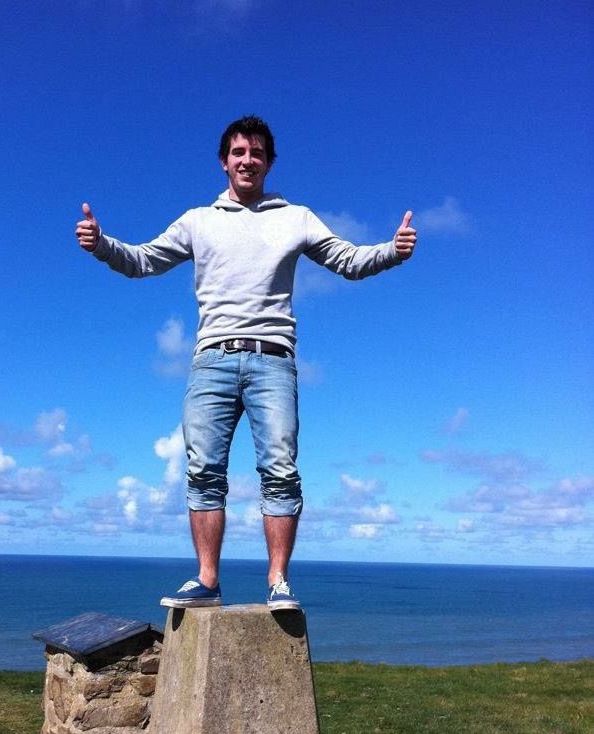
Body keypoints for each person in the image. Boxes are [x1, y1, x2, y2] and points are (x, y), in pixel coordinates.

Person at [76, 115, 417, 611]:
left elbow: (347, 260)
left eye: (257, 153)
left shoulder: (295, 218)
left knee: (280, 470)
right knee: (203, 471)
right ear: (224, 161)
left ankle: (278, 582)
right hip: (211, 360)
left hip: (274, 360)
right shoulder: (198, 221)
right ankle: (207, 581)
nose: (247, 161)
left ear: (269, 163)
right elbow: (143, 260)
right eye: (239, 152)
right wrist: (102, 246)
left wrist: (392, 251)